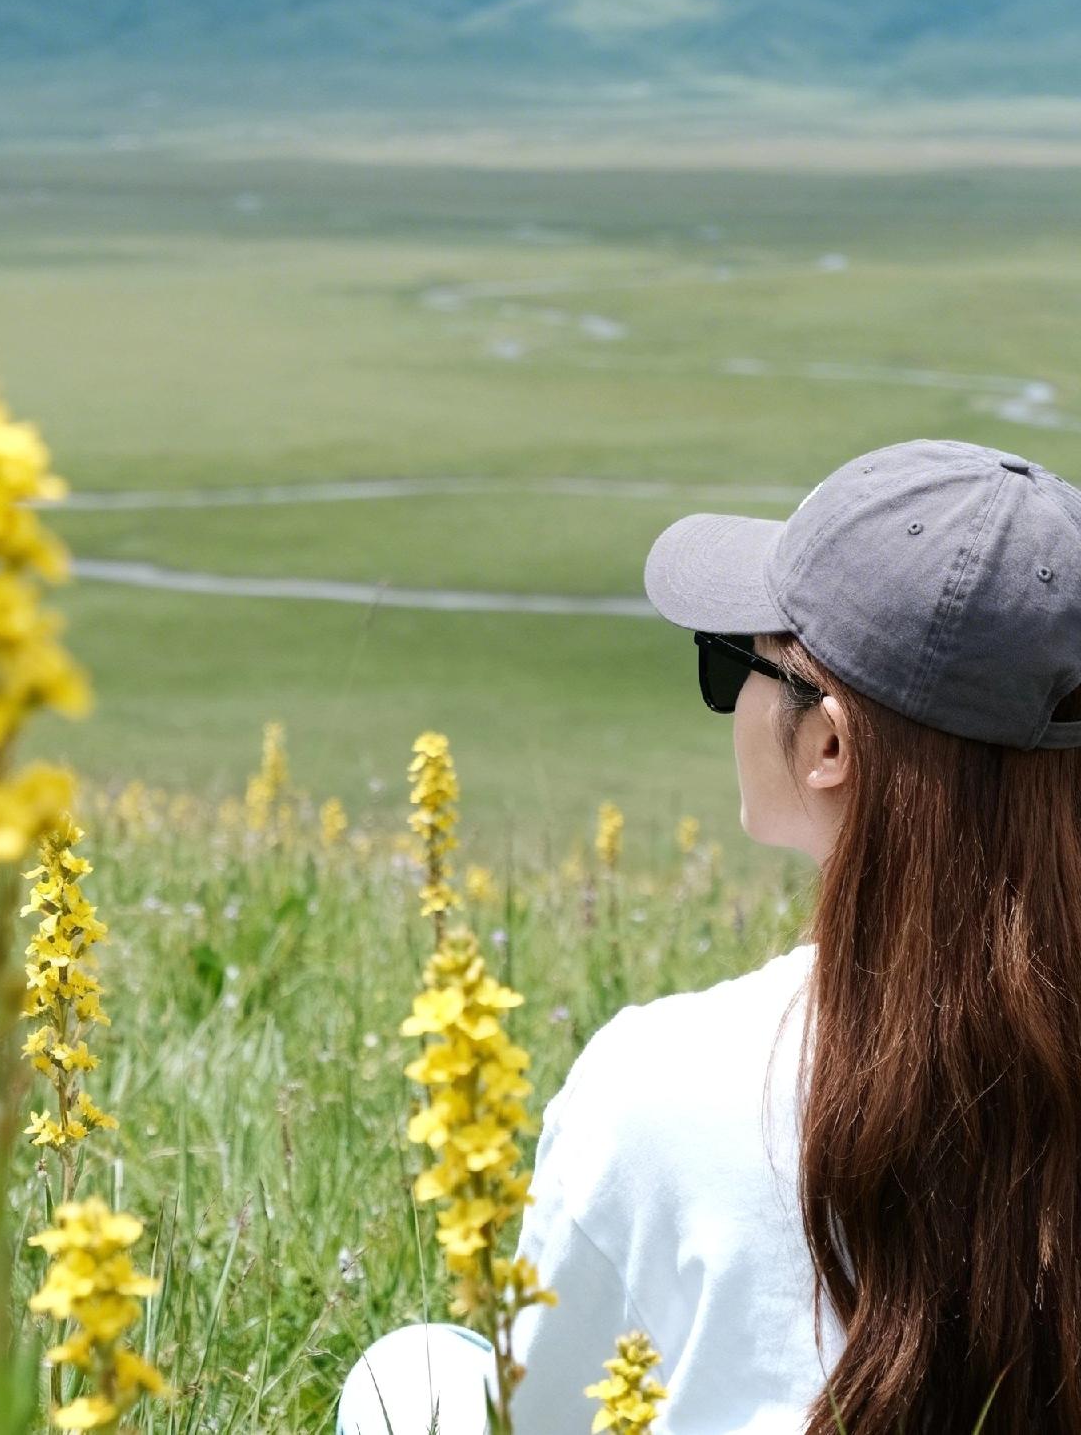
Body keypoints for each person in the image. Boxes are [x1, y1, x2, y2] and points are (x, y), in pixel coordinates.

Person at [337, 438, 1081, 1435]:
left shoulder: (659, 1081)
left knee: (407, 1375)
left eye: (733, 663)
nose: (730, 698)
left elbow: (542, 1414)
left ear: (828, 742)